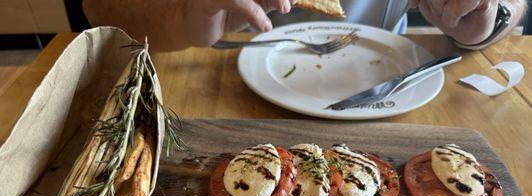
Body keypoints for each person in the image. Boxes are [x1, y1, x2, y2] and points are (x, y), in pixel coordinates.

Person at [82, 0, 527, 51]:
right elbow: (99, 7)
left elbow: (513, 5)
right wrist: (181, 16)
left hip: (386, 90)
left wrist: (488, 20)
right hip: (203, 82)